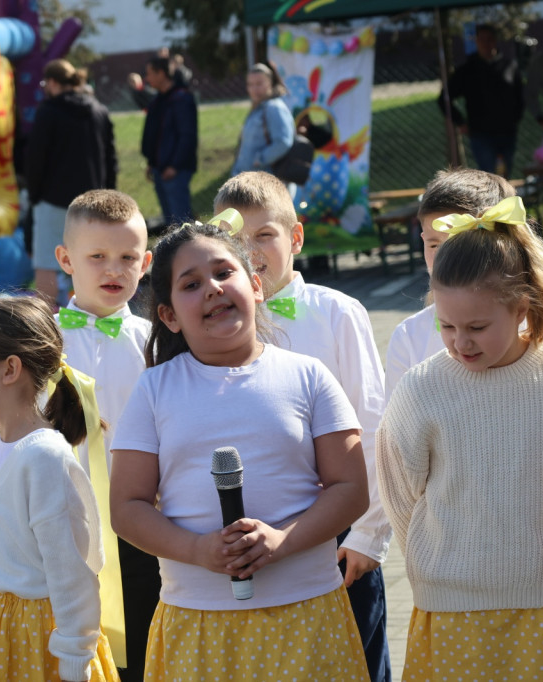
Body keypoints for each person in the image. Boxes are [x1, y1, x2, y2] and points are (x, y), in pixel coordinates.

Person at [110, 221, 370, 680]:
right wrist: (196, 549)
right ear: (169, 316)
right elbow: (127, 507)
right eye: (191, 284)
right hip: (197, 619)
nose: (211, 288)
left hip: (307, 613)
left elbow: (350, 488)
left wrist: (283, 540)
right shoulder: (153, 390)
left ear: (255, 285)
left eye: (223, 273)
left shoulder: (309, 376)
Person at [376, 195, 543, 680]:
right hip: (452, 602)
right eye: (447, 326)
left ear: (521, 307)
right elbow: (400, 493)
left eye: (478, 327)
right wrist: (433, 560)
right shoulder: (422, 387)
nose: (461, 342)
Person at [214, 171, 390, 681]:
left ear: (295, 237)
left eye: (264, 235)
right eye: (236, 240)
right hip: (252, 540)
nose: (251, 251)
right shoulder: (215, 324)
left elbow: (374, 425)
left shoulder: (337, 313)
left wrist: (369, 536)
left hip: (338, 538)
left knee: (353, 665)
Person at [0, 295, 120, 682]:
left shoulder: (45, 458)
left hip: (32, 640)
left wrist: (75, 660)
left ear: (9, 369)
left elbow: (72, 572)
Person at [53, 189, 157, 682]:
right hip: (62, 523)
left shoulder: (155, 342)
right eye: (97, 257)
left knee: (142, 645)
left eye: (127, 258)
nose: (113, 270)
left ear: (146, 262)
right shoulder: (41, 340)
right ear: (66, 258)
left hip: (137, 523)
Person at [385, 168, 517, 399]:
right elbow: (393, 426)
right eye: (434, 245)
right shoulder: (410, 336)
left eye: (456, 243)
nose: (444, 258)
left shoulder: (527, 324)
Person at [26, 59, 117, 307]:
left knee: (46, 260)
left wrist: (34, 195)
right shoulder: (99, 110)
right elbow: (110, 159)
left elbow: (36, 158)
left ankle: (46, 322)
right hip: (93, 202)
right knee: (93, 258)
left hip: (53, 199)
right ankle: (96, 310)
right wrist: (109, 197)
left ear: (53, 83)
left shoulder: (48, 112)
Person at [438, 24, 524, 177]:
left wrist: (516, 118)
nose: (486, 43)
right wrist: (460, 122)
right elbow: (444, 99)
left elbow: (520, 96)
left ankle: (505, 200)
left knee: (505, 174)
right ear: (476, 42)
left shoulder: (509, 66)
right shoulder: (467, 70)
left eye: (490, 39)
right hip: (481, 133)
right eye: (482, 40)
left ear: (495, 41)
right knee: (489, 175)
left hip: (507, 131)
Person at [140, 57, 198, 227]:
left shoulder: (181, 99)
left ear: (162, 73)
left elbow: (187, 135)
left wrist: (174, 165)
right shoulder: (159, 100)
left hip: (175, 171)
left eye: (150, 73)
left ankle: (189, 253)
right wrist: (152, 162)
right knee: (170, 223)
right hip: (160, 168)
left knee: (182, 223)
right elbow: (157, 135)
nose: (147, 78)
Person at [231, 65, 295, 180]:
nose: (254, 89)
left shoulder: (274, 107)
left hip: (266, 183)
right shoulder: (258, 107)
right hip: (249, 180)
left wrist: (259, 159)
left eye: (259, 84)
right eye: (250, 84)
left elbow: (283, 142)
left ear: (270, 83)